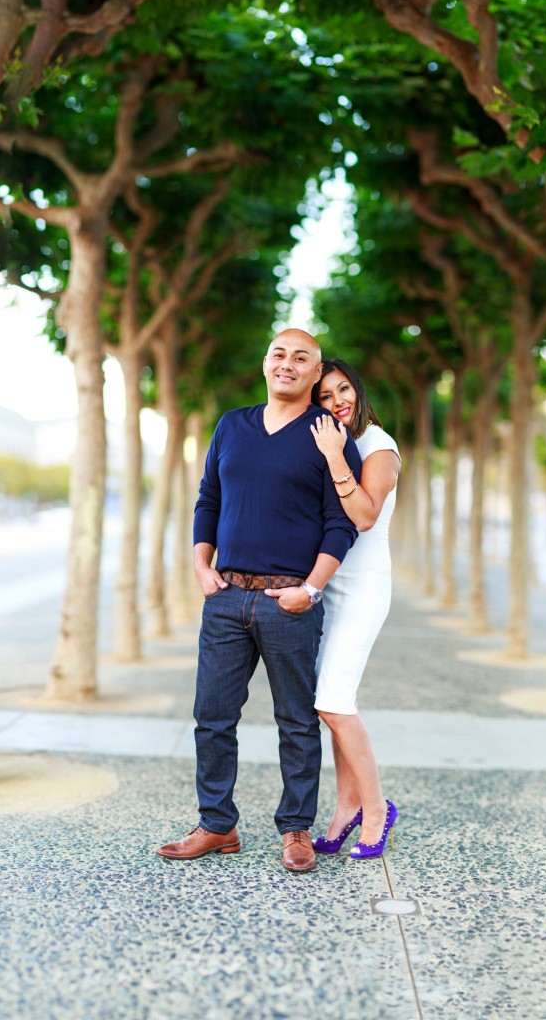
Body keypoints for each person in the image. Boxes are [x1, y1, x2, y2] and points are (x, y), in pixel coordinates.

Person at [157, 329, 363, 873]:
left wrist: (310, 590)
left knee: (295, 719)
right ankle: (217, 824)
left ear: (316, 373)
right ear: (265, 362)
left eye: (302, 358)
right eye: (279, 354)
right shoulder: (232, 425)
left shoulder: (330, 436)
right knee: (212, 715)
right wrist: (201, 564)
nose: (288, 364)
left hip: (289, 600)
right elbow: (209, 498)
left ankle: (296, 829)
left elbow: (341, 524)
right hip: (225, 596)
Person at [308, 359, 401, 860]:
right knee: (332, 701)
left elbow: (364, 516)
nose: (338, 400)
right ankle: (346, 805)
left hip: (363, 588)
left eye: (344, 389)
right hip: (330, 587)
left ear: (358, 391)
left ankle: (376, 809)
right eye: (325, 396)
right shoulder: (333, 443)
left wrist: (333, 456)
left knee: (334, 703)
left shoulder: (376, 445)